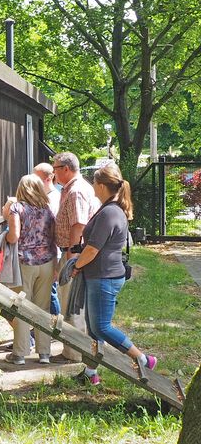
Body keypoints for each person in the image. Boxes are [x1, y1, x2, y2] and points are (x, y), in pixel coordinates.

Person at [70, 163, 157, 385]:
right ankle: (91, 373)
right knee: (94, 327)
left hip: (104, 277)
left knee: (101, 326)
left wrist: (76, 265)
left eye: (94, 184)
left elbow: (92, 249)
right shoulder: (110, 208)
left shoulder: (110, 212)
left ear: (100, 185)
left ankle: (144, 359)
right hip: (101, 275)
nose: (93, 188)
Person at [2, 174, 58, 365]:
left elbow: (14, 236)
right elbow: (53, 236)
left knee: (22, 306)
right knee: (43, 307)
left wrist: (5, 237)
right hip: (47, 262)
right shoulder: (47, 210)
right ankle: (44, 354)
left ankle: (20, 354)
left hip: (24, 262)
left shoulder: (17, 207)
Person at [52, 152, 100, 362]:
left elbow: (78, 226)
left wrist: (72, 260)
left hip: (73, 254)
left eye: (55, 168)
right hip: (72, 253)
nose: (53, 172)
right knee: (71, 303)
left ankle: (74, 353)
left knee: (71, 304)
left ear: (66, 169)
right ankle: (75, 350)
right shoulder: (71, 189)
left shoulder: (76, 192)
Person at [34, 162, 62, 315]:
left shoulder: (53, 200)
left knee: (49, 292)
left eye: (36, 178)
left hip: (51, 252)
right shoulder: (46, 198)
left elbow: (50, 229)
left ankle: (54, 327)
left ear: (48, 178)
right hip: (44, 252)